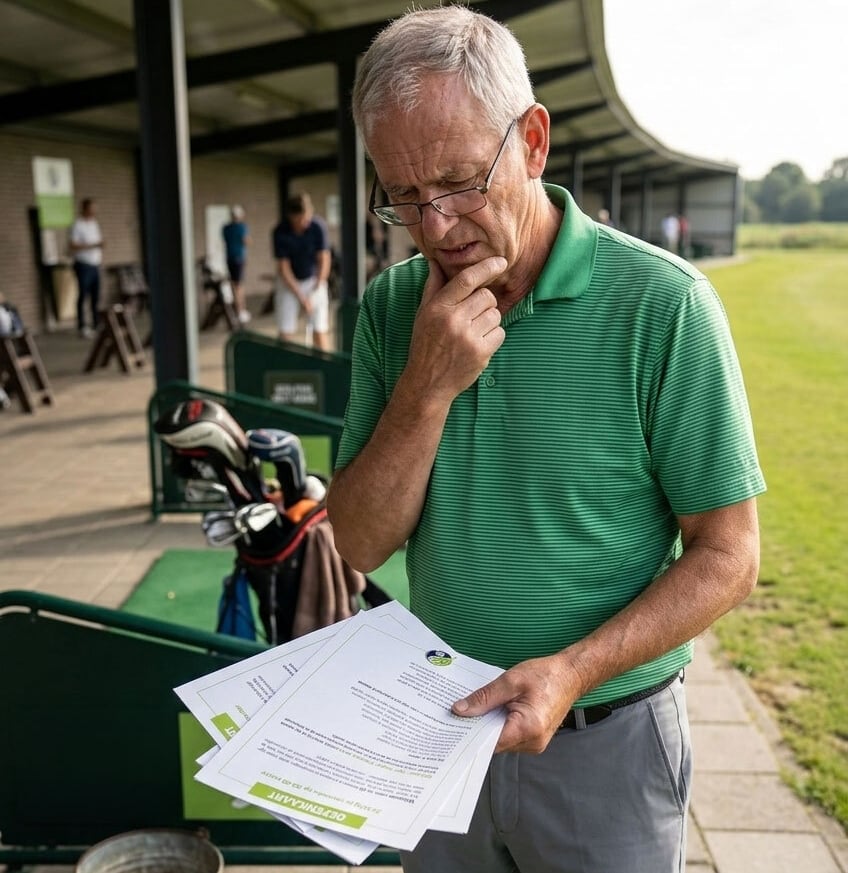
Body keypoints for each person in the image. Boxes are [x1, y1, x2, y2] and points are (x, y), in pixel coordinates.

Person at [326, 7, 765, 873]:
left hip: (608, 738)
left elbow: (729, 555)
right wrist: (426, 386)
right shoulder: (392, 307)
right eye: (403, 196)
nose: (436, 227)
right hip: (439, 721)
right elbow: (361, 541)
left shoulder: (664, 305)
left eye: (459, 182)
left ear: (532, 142)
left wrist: (571, 670)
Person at [271, 193, 332, 350]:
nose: (305, 223)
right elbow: (284, 268)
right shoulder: (280, 231)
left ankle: (323, 362)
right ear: (291, 216)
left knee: (319, 330)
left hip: (314, 280)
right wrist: (302, 298)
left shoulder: (318, 227)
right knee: (286, 332)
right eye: (300, 220)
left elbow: (324, 260)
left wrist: (316, 288)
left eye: (307, 218)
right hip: (289, 283)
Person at [69, 197, 104, 338]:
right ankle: (82, 325)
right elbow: (72, 245)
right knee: (83, 295)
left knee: (96, 296)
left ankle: (96, 324)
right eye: (91, 208)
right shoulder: (78, 225)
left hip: (95, 264)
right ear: (84, 209)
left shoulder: (94, 224)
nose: (94, 211)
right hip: (83, 264)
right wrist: (93, 245)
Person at [222, 204, 251, 323]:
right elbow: (246, 241)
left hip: (229, 258)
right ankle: (240, 311)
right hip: (239, 258)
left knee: (234, 285)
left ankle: (237, 310)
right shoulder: (242, 227)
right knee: (239, 286)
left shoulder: (226, 228)